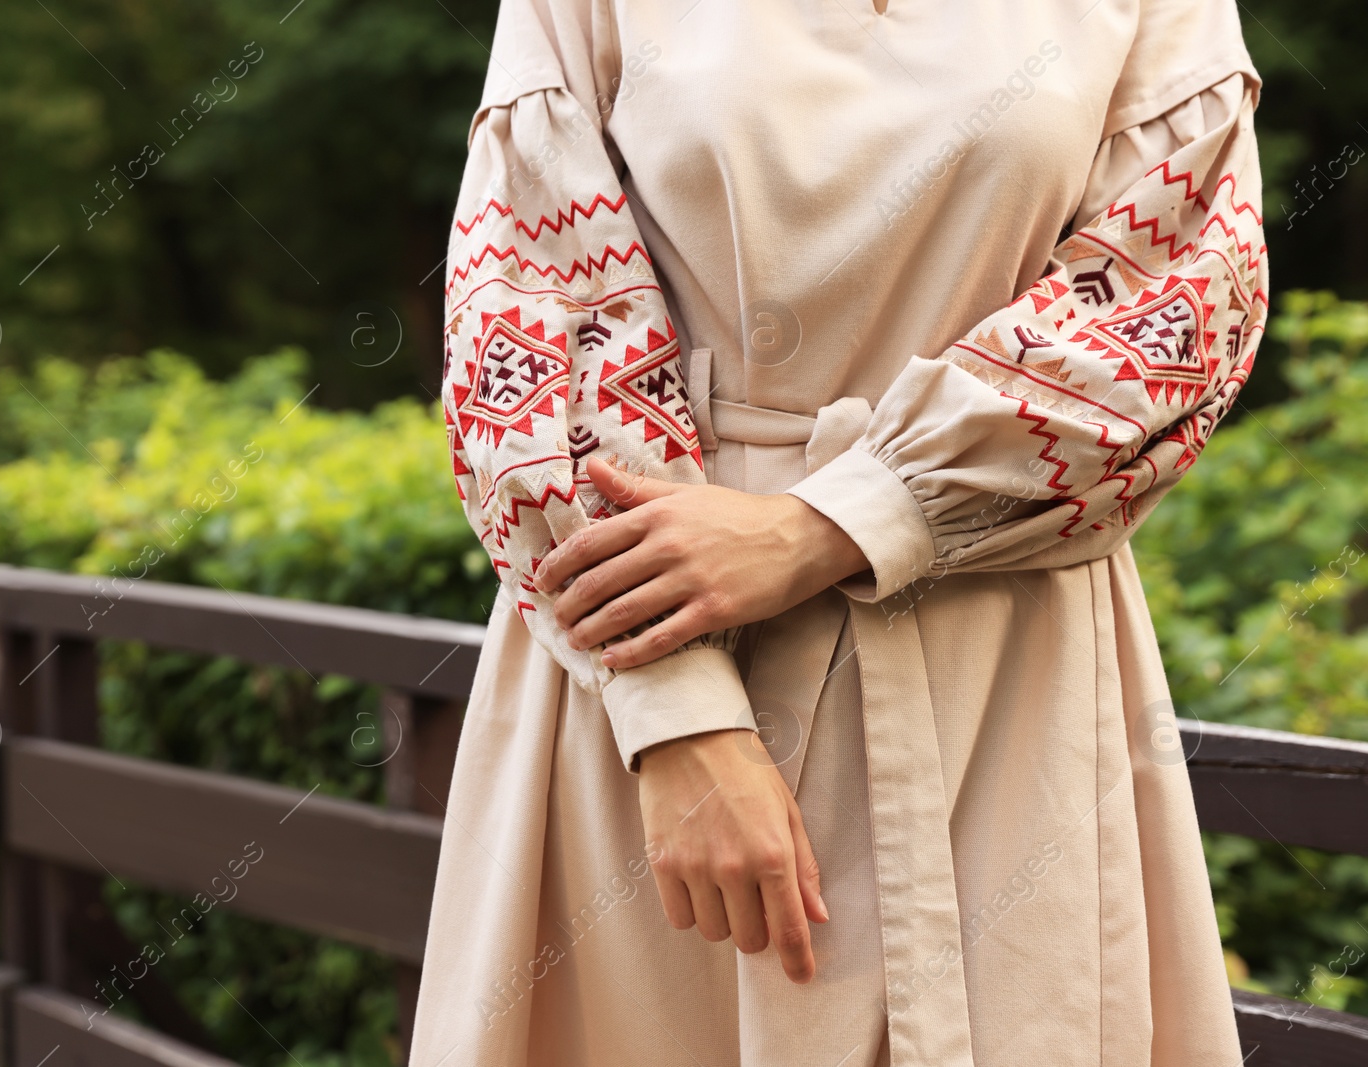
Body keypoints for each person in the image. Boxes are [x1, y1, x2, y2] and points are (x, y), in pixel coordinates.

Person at [418, 0, 1267, 1063]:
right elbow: (529, 312)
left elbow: (1177, 309)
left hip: (1003, 662)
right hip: (638, 652)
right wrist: (674, 713)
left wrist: (829, 523)